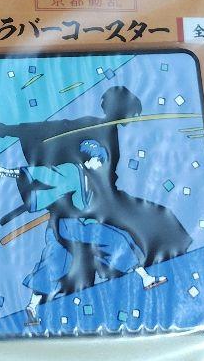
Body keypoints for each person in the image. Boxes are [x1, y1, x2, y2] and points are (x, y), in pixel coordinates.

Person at [24, 140, 167, 326]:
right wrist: (15, 172)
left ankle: (32, 306)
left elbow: (85, 207)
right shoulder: (72, 170)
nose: (100, 164)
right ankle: (146, 279)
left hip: (64, 226)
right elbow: (48, 174)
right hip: (71, 225)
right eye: (98, 159)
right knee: (118, 239)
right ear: (89, 158)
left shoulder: (88, 177)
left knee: (53, 262)